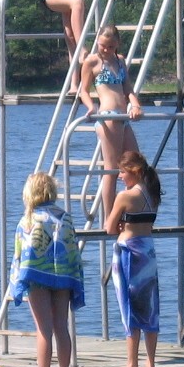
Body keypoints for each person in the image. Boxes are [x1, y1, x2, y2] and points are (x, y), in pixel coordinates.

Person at [7, 172, 85, 367]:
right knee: (61, 326)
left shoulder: (28, 220)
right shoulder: (65, 217)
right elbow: (72, 250)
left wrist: (17, 282)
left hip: (36, 276)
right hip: (63, 276)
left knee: (43, 329)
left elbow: (20, 255)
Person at [77, 24, 142, 220]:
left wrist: (135, 105)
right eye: (103, 45)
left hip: (123, 117)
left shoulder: (120, 61)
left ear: (117, 44)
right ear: (97, 41)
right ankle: (109, 219)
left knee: (136, 165)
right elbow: (83, 91)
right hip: (108, 117)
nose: (106, 50)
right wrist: (91, 107)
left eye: (111, 46)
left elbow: (128, 88)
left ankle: (130, 210)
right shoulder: (92, 61)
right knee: (111, 169)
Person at [106, 151, 162, 367]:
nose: (120, 176)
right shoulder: (153, 193)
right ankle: (151, 364)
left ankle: (132, 364)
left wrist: (121, 224)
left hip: (128, 252)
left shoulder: (126, 196)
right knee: (149, 307)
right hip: (148, 251)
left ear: (134, 171)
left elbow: (109, 227)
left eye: (122, 171)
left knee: (128, 306)